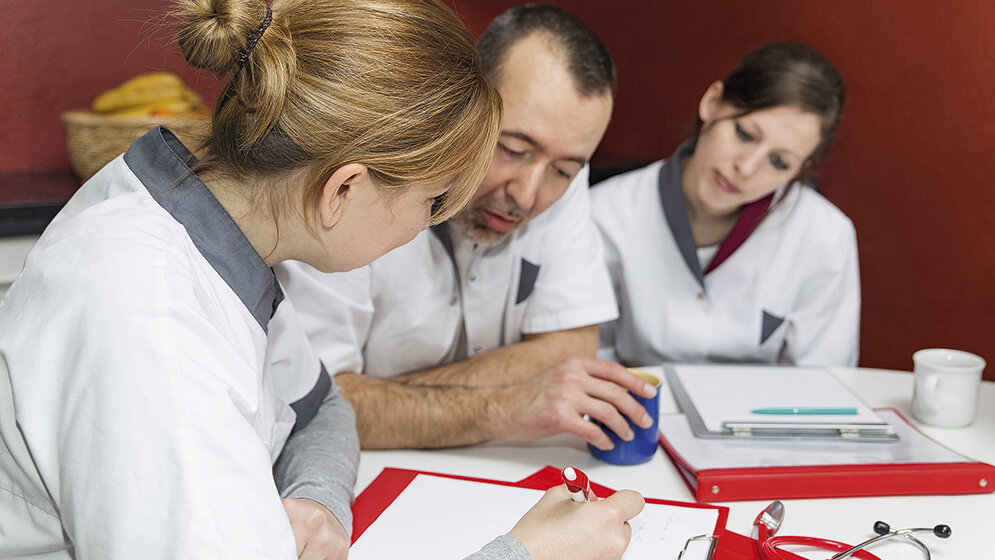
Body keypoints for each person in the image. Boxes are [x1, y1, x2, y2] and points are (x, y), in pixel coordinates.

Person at [0, 1, 643, 559]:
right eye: (433, 202)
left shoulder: (219, 233)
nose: (429, 225)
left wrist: (318, 500)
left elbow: (321, 408)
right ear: (343, 189)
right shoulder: (150, 324)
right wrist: (528, 554)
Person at [277, 4, 657, 452]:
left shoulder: (557, 187)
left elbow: (571, 347)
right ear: (465, 104)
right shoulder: (354, 185)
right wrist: (503, 406)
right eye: (514, 149)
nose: (528, 194)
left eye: (565, 170)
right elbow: (318, 405)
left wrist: (386, 396)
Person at [593, 41, 860, 368]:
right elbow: (585, 367)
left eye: (779, 162)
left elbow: (823, 386)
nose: (746, 168)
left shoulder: (825, 236)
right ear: (712, 102)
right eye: (745, 134)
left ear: (800, 171)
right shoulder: (604, 213)